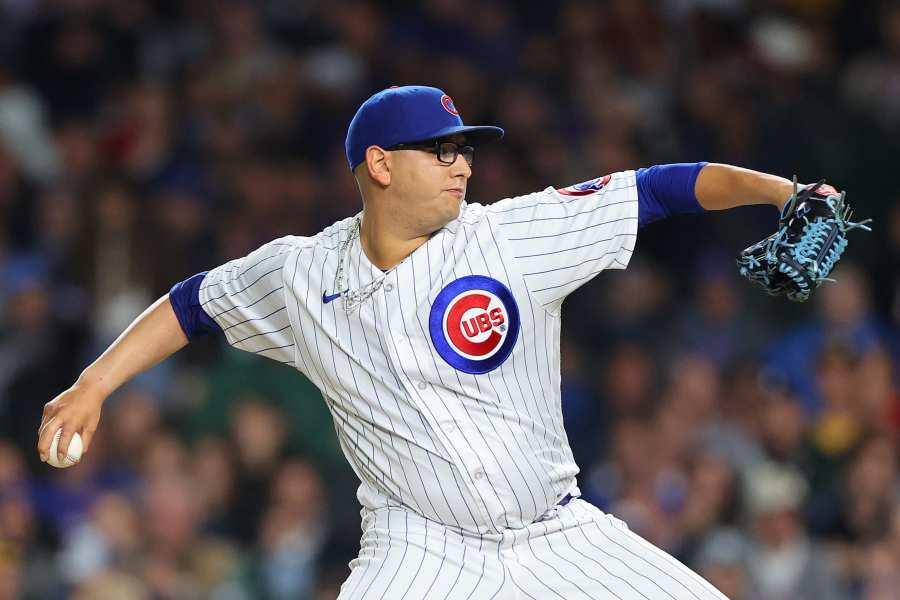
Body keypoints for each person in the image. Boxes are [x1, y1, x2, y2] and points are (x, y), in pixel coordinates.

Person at [38, 85, 821, 599]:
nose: (464, 165)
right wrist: (97, 383)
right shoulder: (300, 275)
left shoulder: (509, 235)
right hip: (420, 550)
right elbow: (193, 304)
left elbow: (658, 189)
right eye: (442, 150)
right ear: (379, 166)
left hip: (556, 530)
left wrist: (783, 192)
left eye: (466, 149)